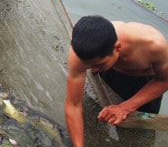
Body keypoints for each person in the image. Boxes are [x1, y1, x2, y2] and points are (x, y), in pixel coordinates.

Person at [65, 15, 168, 147]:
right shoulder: (79, 55)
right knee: (94, 112)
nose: (92, 69)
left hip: (144, 83)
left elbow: (164, 81)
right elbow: (73, 105)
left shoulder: (154, 46)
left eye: (97, 64)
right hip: (109, 73)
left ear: (118, 48)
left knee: (139, 132)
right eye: (88, 65)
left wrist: (124, 108)